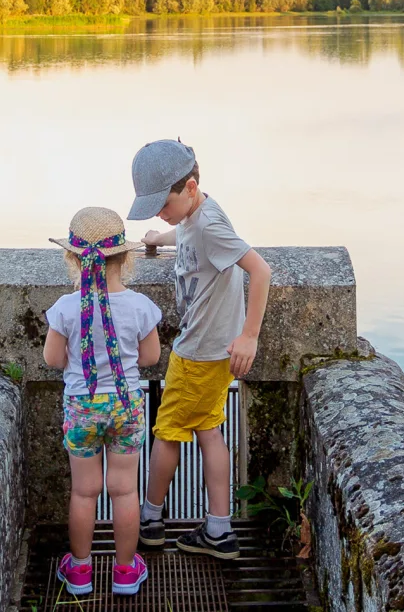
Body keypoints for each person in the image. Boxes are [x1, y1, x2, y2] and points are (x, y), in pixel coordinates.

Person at [127, 139, 272, 561]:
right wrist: (161, 236)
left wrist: (250, 336)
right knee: (209, 431)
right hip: (211, 351)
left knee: (167, 433)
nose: (159, 211)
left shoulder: (209, 225)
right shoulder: (197, 215)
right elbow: (188, 232)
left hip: (197, 354)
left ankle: (150, 520)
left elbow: (260, 270)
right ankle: (219, 529)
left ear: (189, 187)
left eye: (163, 204)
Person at [43, 206, 164, 596]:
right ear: (124, 258)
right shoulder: (140, 306)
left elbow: (52, 359)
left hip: (82, 406)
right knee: (124, 490)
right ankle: (125, 571)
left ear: (73, 257)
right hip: (125, 406)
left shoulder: (65, 308)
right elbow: (150, 358)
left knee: (84, 491)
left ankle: (80, 571)